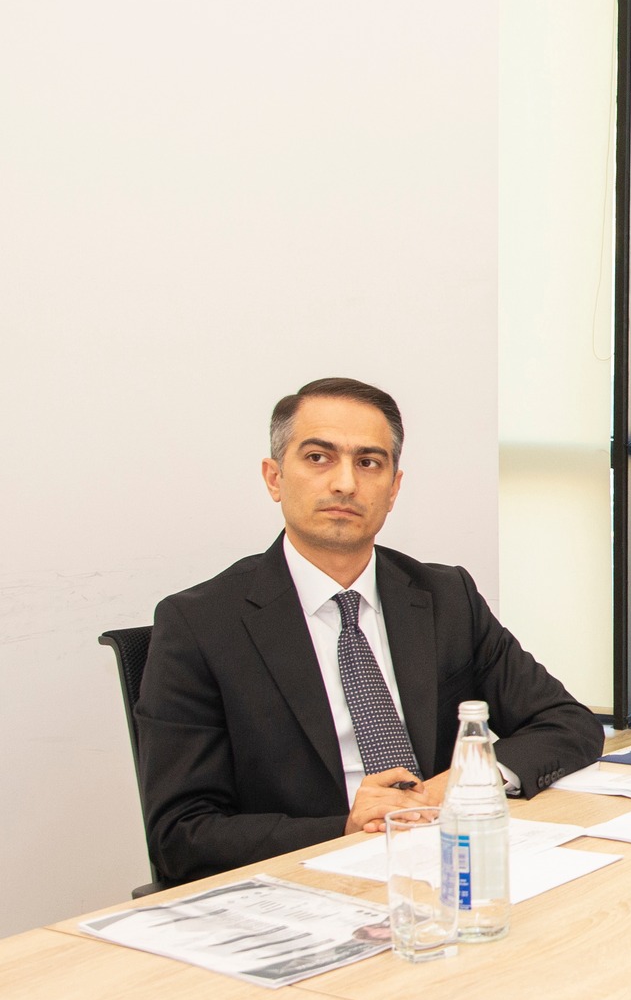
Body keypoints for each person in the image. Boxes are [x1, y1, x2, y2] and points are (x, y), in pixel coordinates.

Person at [137, 377, 604, 884]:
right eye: (318, 457)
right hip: (309, 881)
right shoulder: (200, 624)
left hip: (447, 862)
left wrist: (453, 785)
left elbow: (568, 724)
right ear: (274, 478)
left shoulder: (446, 596)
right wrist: (345, 827)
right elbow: (180, 834)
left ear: (394, 488)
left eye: (368, 462)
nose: (345, 483)